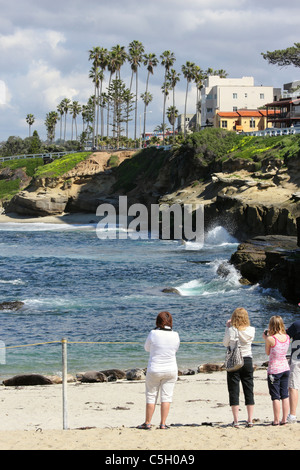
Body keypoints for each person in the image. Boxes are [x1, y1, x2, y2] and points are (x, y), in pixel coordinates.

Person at [137, 311, 180, 430]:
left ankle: (148, 422)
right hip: (171, 369)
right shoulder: (175, 334)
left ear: (158, 321)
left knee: (151, 396)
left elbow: (146, 348)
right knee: (167, 397)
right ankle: (163, 423)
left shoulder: (153, 333)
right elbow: (175, 349)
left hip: (155, 368)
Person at [223, 307, 255, 428]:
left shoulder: (231, 330)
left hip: (234, 360)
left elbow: (225, 343)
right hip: (247, 360)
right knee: (249, 389)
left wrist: (228, 327)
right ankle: (250, 419)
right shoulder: (251, 330)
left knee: (233, 389)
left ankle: (236, 420)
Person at [263, 315, 290, 426]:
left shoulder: (271, 339)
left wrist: (266, 338)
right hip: (285, 367)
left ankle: (276, 420)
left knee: (275, 396)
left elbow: (268, 353)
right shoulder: (287, 337)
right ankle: (284, 419)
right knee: (284, 395)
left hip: (274, 370)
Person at [286, 319, 300, 423]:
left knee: (293, 386)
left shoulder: (296, 324)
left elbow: (285, 337)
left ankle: (292, 415)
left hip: (297, 359)